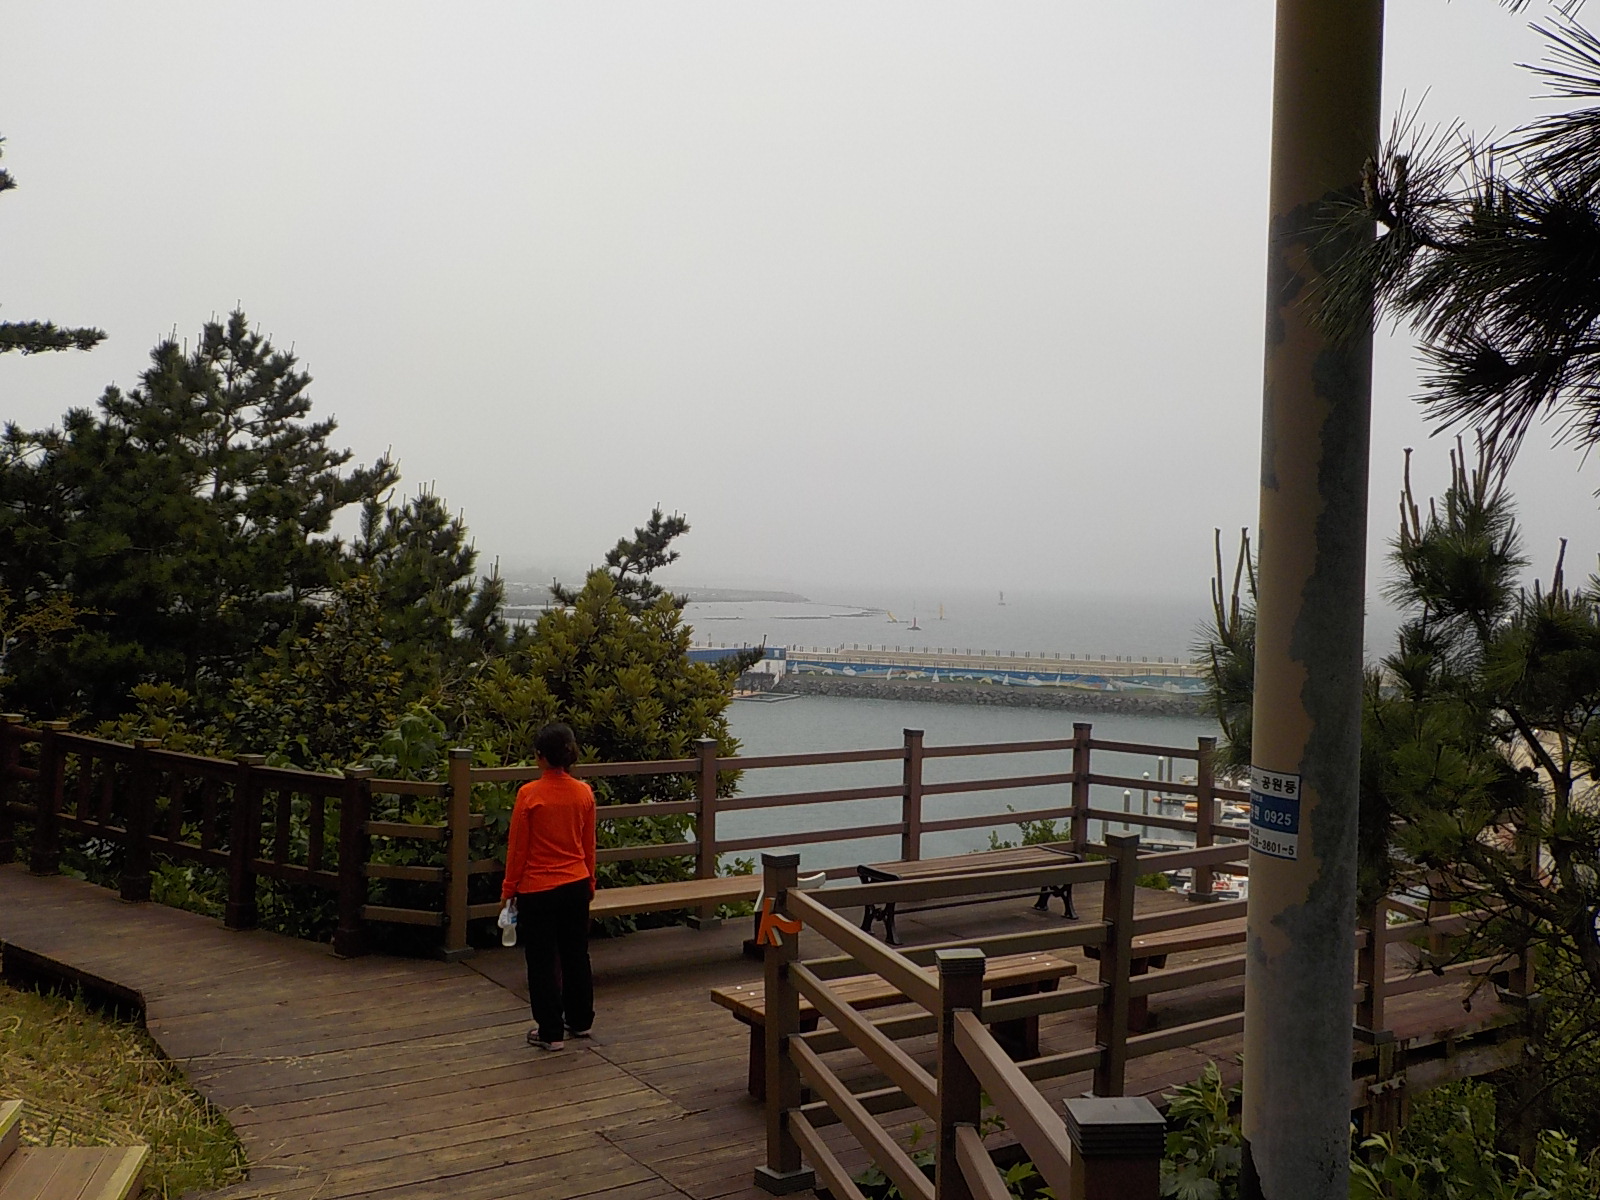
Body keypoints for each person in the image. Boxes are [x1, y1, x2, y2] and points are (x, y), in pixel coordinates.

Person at [500, 722, 596, 1051]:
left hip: (538, 888)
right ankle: (580, 1020)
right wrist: (590, 880)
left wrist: (509, 889)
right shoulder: (584, 792)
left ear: (540, 756)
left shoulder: (529, 794)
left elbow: (518, 849)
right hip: (576, 882)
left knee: (541, 960)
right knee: (576, 954)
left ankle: (551, 1031)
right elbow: (589, 845)